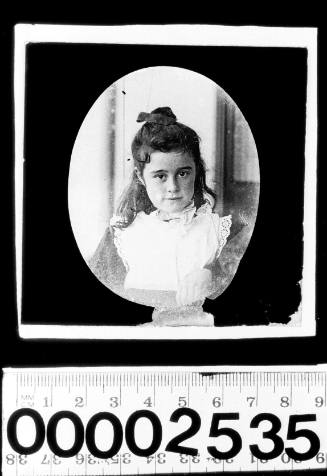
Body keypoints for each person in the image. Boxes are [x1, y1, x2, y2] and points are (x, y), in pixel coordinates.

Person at [89, 107, 237, 326]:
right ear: (140, 176)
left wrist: (211, 275)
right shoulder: (122, 235)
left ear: (197, 171)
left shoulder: (222, 231)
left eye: (183, 173)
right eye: (160, 176)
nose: (173, 187)